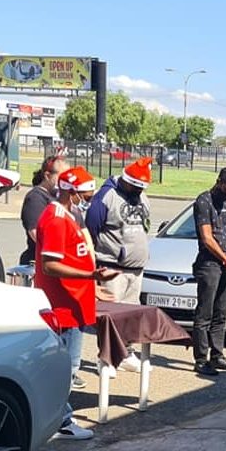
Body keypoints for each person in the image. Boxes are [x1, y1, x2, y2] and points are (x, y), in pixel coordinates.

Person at [35, 166, 120, 440]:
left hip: (76, 303)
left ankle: (59, 418)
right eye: (85, 194)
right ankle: (60, 421)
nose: (89, 198)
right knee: (66, 368)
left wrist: (92, 288)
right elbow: (50, 266)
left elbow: (75, 257)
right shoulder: (57, 219)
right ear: (71, 193)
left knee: (68, 367)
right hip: (63, 308)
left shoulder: (70, 215)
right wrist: (90, 275)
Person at [86, 157, 153, 371]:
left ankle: (126, 354)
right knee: (110, 316)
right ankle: (106, 358)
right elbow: (92, 228)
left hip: (136, 268)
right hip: (112, 266)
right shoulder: (107, 196)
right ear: (127, 180)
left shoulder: (142, 196)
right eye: (136, 186)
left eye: (141, 187)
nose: (138, 190)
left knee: (130, 314)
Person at [191, 168, 226, 377]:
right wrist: (225, 258)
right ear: (218, 181)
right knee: (205, 313)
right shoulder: (204, 201)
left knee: (221, 312)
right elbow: (207, 237)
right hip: (209, 264)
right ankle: (201, 359)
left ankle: (217, 354)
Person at [20, 155, 70, 265]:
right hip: (39, 262)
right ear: (47, 175)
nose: (66, 181)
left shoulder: (58, 197)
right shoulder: (35, 198)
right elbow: (35, 233)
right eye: (62, 176)